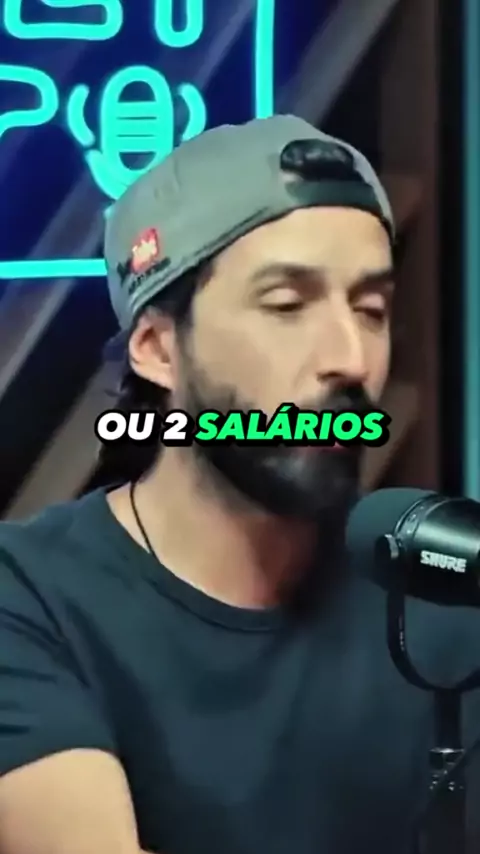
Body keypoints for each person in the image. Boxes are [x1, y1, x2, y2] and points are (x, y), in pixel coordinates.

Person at [0, 114, 479, 854]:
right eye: (287, 306)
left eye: (371, 310)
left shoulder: (438, 580)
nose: (352, 359)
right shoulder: (29, 596)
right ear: (159, 349)